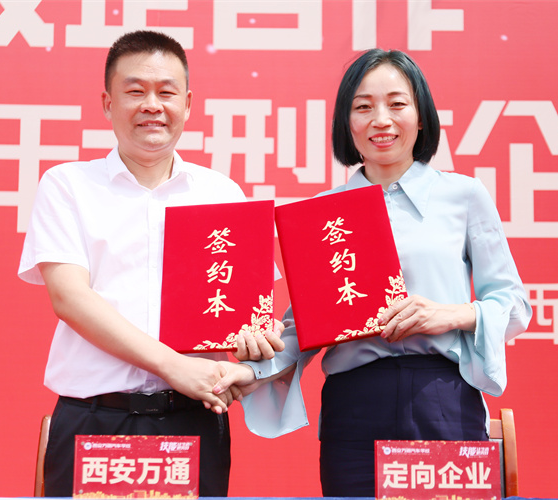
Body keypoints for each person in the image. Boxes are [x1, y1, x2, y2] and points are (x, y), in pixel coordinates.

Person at [215, 48, 532, 496]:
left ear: (421, 117)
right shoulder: (321, 213)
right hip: (354, 407)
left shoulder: (464, 196)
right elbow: (303, 327)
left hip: (442, 396)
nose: (381, 120)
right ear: (347, 123)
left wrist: (449, 314)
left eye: (397, 104)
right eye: (363, 107)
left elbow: (514, 305)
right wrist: (251, 371)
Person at [18, 30, 282, 497]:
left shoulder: (221, 194)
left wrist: (254, 344)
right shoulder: (68, 185)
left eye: (166, 92)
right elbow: (70, 297)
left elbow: (250, 314)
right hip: (94, 418)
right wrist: (172, 365)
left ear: (188, 103)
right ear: (108, 103)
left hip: (193, 419)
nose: (152, 105)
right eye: (136, 91)